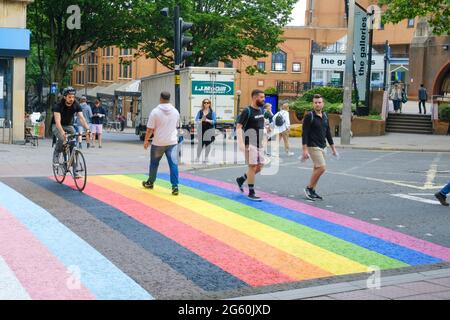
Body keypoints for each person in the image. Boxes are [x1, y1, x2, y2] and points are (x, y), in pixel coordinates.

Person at [142, 91, 180, 196]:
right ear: (169, 99)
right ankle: (175, 186)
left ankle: (150, 182)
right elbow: (176, 126)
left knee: (154, 164)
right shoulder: (176, 112)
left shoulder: (155, 112)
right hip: (172, 142)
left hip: (158, 143)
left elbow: (150, 129)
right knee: (173, 165)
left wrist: (146, 141)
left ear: (161, 98)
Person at [301, 94, 337, 201]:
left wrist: (333, 148)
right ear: (313, 104)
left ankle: (313, 190)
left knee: (317, 168)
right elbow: (305, 133)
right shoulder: (309, 116)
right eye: (315, 102)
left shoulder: (325, 115)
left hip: (322, 146)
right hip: (313, 146)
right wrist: (305, 150)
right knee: (322, 167)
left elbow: (328, 133)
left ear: (323, 104)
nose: (317, 104)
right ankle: (308, 188)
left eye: (319, 102)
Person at [235, 89, 266, 202]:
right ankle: (251, 192)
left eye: (264, 97)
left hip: (259, 144)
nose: (264, 99)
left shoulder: (261, 110)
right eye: (261, 97)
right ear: (254, 98)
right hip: (249, 143)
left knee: (260, 166)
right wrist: (241, 144)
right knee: (252, 167)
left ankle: (241, 179)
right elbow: (238, 127)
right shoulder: (247, 111)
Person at [52, 87, 90, 169]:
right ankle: (57, 153)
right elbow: (57, 122)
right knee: (62, 138)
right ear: (65, 97)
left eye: (73, 97)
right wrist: (62, 132)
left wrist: (87, 129)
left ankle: (74, 166)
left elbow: (81, 118)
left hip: (69, 125)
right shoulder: (58, 105)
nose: (72, 99)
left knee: (73, 142)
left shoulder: (76, 104)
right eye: (69, 97)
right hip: (57, 125)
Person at [195, 99, 217, 163]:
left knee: (208, 144)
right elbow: (196, 120)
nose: (206, 104)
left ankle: (206, 157)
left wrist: (207, 120)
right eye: (205, 103)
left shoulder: (212, 112)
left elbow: (214, 121)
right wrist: (201, 120)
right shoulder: (200, 112)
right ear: (203, 104)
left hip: (209, 130)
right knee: (200, 144)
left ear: (210, 104)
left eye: (208, 103)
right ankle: (197, 157)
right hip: (201, 129)